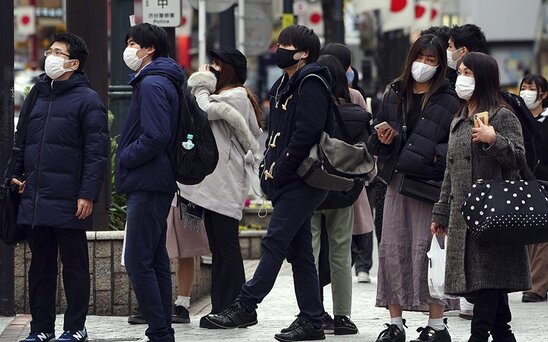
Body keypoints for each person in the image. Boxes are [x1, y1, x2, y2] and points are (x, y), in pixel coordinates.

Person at [204, 25, 333, 342]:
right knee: (299, 252)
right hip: (287, 179)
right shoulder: (283, 85)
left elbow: (306, 132)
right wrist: (268, 171)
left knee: (274, 241)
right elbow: (274, 137)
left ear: (303, 53)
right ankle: (312, 321)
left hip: (304, 178)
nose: (280, 48)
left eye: (287, 45)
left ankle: (246, 305)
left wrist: (282, 168)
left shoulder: (312, 81)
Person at [10, 33, 109, 342]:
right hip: (36, 196)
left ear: (73, 63)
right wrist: (14, 176)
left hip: (69, 198)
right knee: (39, 269)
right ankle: (40, 329)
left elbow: (97, 152)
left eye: (57, 52)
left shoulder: (88, 100)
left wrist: (87, 194)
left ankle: (75, 327)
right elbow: (20, 142)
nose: (49, 56)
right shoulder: (36, 95)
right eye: (49, 50)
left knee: (75, 266)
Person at [432, 52, 531, 342]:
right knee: (485, 283)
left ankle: (478, 336)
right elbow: (450, 170)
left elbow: (519, 160)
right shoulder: (458, 119)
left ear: (484, 78)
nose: (461, 78)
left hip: (494, 215)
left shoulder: (502, 115)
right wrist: (440, 213)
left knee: (486, 281)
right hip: (464, 216)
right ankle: (502, 334)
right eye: (460, 71)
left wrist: (493, 140)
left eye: (468, 73)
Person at [368, 34, 460, 342]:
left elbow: (457, 143)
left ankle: (437, 325)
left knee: (428, 251)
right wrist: (380, 138)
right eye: (420, 58)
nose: (425, 65)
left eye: (432, 61)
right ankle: (395, 323)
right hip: (396, 182)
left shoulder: (450, 97)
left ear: (441, 65)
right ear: (411, 59)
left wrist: (435, 154)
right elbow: (375, 136)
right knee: (392, 249)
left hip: (430, 185)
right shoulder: (395, 91)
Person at [178, 47, 263, 328]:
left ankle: (238, 308)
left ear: (230, 69)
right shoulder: (229, 94)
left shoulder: (236, 95)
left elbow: (204, 110)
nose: (211, 67)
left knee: (226, 248)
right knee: (219, 247)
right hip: (218, 183)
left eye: (217, 64)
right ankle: (222, 306)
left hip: (226, 183)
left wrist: (201, 83)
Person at [115, 23, 185, 342]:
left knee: (137, 259)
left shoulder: (154, 82)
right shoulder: (158, 79)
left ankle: (159, 329)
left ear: (149, 49)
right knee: (154, 257)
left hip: (149, 179)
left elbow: (156, 135)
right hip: (155, 179)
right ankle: (162, 329)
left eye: (133, 43)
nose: (129, 49)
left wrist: (126, 155)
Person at [309, 54, 373, 336]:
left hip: (311, 189)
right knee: (340, 254)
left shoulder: (310, 108)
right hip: (344, 190)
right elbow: (367, 154)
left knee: (310, 253)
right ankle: (343, 316)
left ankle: (312, 312)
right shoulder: (357, 112)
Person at [319, 43, 376, 285]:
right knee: (342, 242)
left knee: (322, 243)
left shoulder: (312, 91)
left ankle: (318, 304)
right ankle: (340, 311)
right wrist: (369, 172)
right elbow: (366, 140)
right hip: (347, 176)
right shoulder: (354, 97)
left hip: (317, 176)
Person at [519, 74, 548, 303]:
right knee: (529, 234)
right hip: (525, 184)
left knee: (542, 236)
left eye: (532, 88)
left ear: (544, 94)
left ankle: (537, 286)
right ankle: (535, 282)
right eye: (524, 87)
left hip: (545, 182)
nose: (526, 91)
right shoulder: (518, 119)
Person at [166, 194, 211, 322]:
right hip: (158, 196)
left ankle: (183, 304)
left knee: (186, 251)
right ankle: (152, 302)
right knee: (157, 252)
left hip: (185, 199)